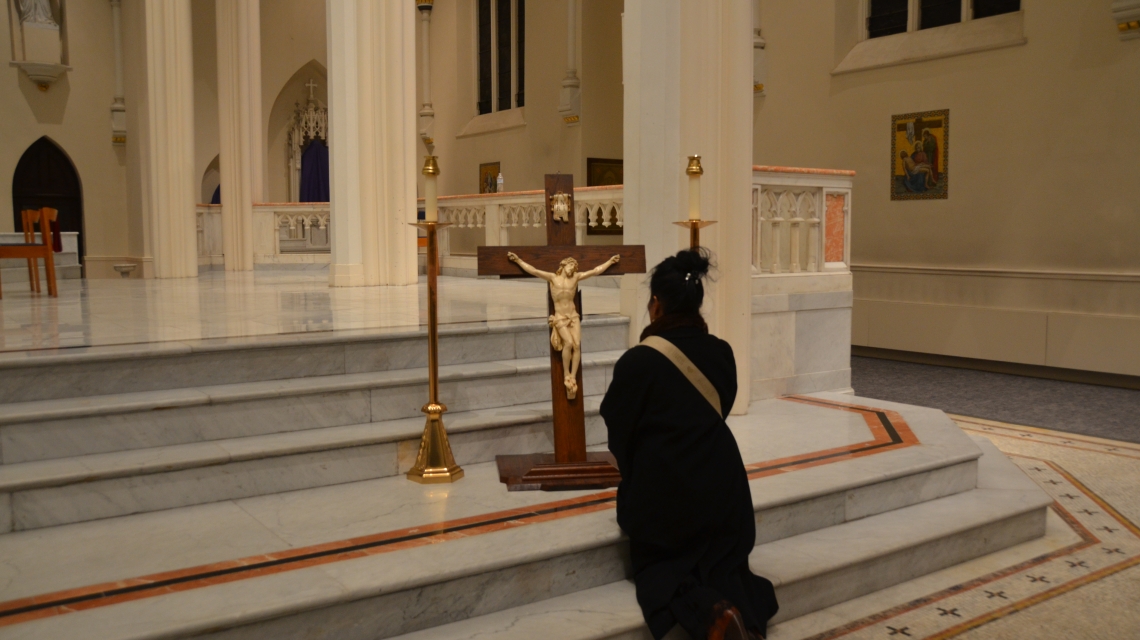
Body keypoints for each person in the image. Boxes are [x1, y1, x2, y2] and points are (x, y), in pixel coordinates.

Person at [600, 249, 778, 640]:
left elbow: (619, 432)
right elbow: (721, 409)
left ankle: (712, 616)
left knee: (660, 567)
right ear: (697, 304)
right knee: (726, 565)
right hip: (727, 495)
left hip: (667, 496)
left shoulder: (637, 363)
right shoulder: (722, 353)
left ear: (656, 304)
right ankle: (743, 616)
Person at [507, 252, 620, 399]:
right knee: (568, 343)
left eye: (574, 266)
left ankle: (573, 376)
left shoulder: (576, 278)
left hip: (573, 316)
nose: (572, 268)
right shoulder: (553, 278)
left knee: (577, 345)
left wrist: (610, 262)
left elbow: (595, 271)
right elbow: (533, 270)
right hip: (560, 317)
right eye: (570, 265)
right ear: (563, 265)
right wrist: (518, 260)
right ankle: (566, 373)